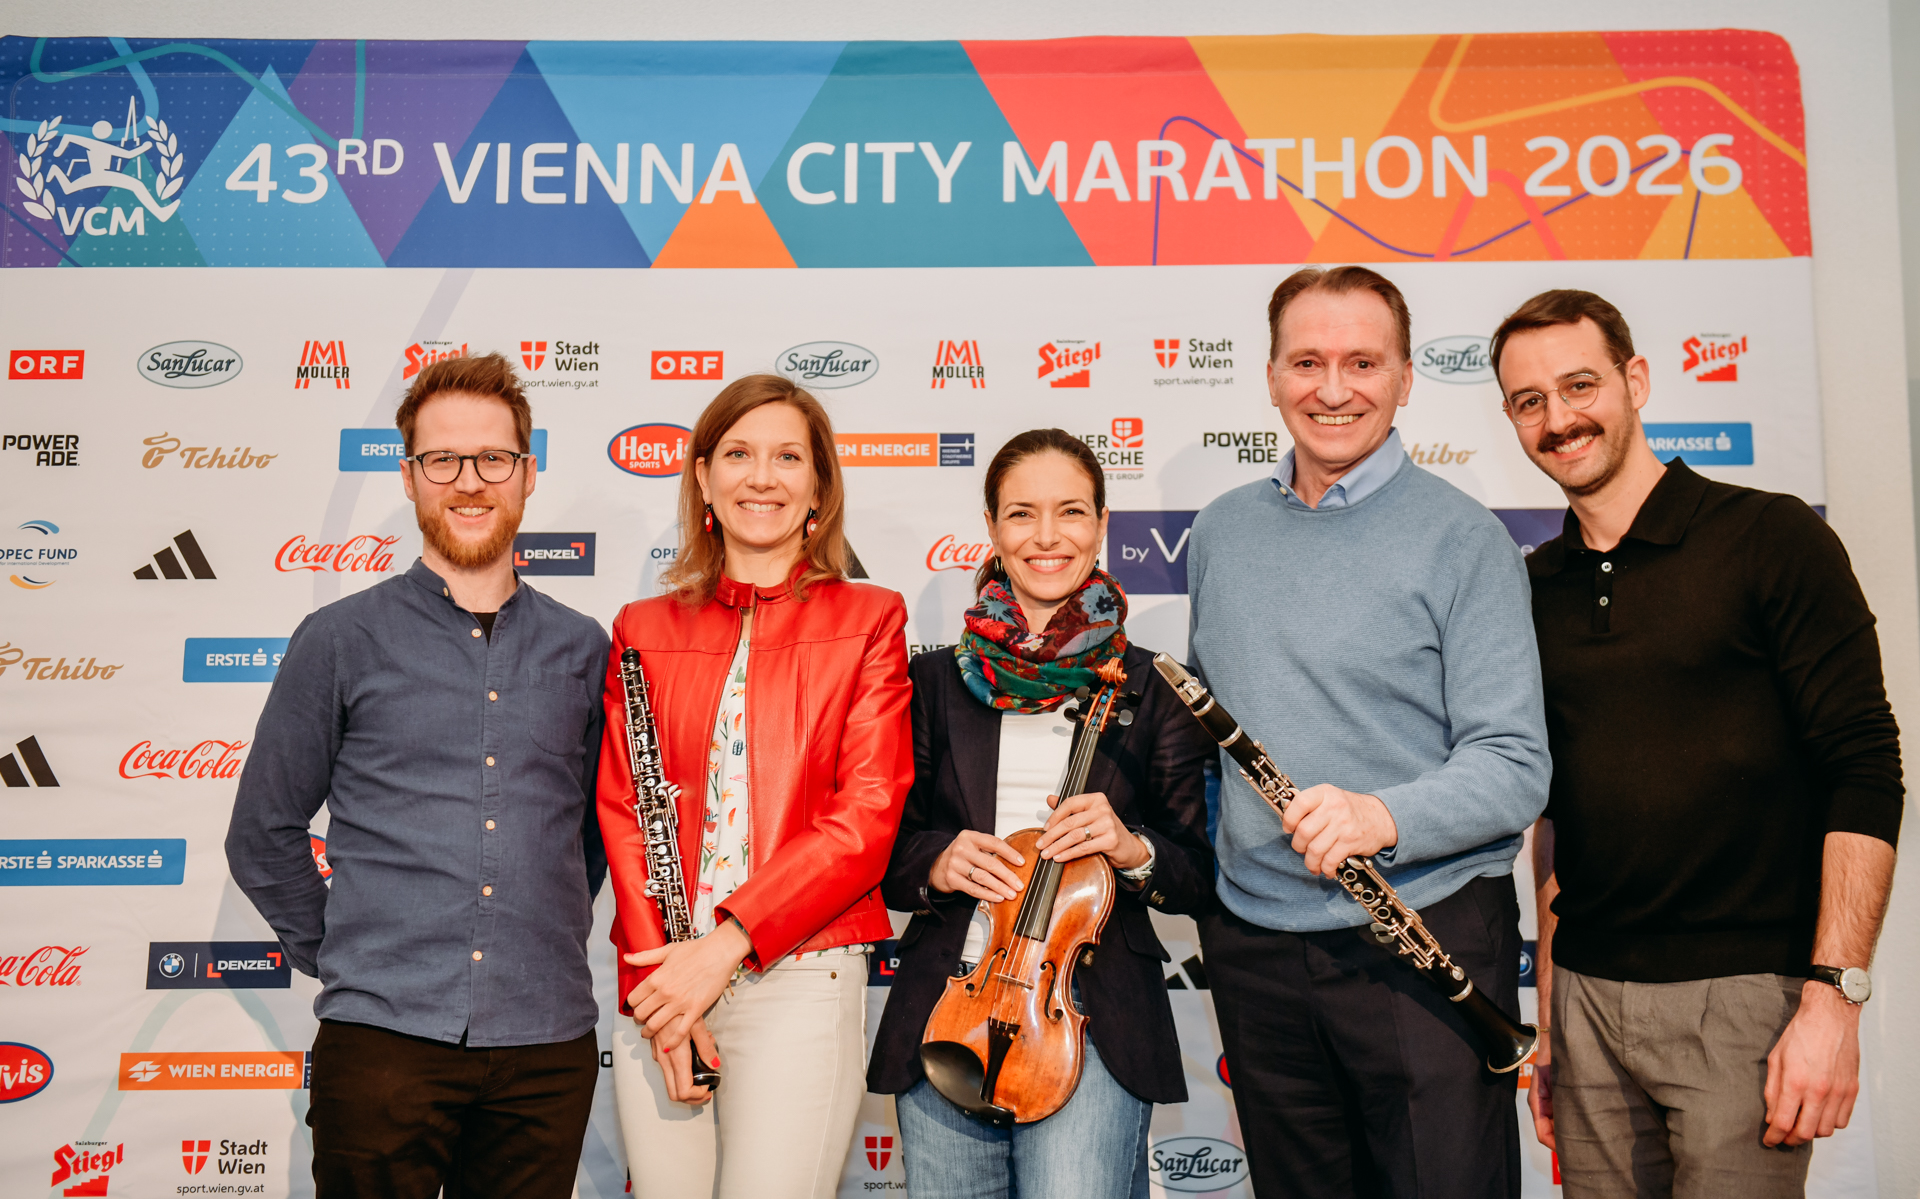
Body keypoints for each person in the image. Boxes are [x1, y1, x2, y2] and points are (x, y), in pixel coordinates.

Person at [1491, 289, 1904, 1198]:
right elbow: (1555, 819)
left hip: (1745, 1002)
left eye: (1580, 385)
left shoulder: (1770, 536)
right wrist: (1555, 1022)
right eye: (1529, 401)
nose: (1559, 419)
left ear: (1635, 381)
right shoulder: (1532, 589)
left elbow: (1865, 768)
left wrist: (1834, 1000)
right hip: (1589, 1008)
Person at [1185, 265, 1552, 1199]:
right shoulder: (1222, 531)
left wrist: (1377, 816)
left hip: (1421, 940)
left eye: (1362, 362)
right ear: (1270, 374)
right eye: (1308, 361)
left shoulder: (1464, 539)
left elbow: (1515, 766)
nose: (1334, 389)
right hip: (1257, 947)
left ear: (1403, 376)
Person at [226, 353, 609, 1198]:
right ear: (408, 477)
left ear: (527, 472)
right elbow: (263, 834)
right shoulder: (338, 639)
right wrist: (345, 955)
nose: (469, 482)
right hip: (382, 1046)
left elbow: (586, 836)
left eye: (494, 459)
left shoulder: (585, 647)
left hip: (546, 1047)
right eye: (443, 460)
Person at [868, 429, 1215, 1198]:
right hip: (948, 1007)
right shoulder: (929, 681)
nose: (1048, 537)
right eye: (1022, 514)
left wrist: (1131, 848)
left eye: (1072, 512)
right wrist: (938, 859)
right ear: (992, 527)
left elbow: (1194, 874)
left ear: (1101, 525)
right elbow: (881, 853)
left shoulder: (1153, 689)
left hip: (1086, 1013)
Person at [599, 373, 914, 1199]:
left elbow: (868, 815)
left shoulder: (873, 617)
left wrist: (722, 951)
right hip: (662, 983)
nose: (761, 477)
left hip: (798, 976)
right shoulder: (642, 627)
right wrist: (661, 992)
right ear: (702, 476)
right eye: (737, 453)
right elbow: (627, 815)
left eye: (787, 457)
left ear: (818, 485)